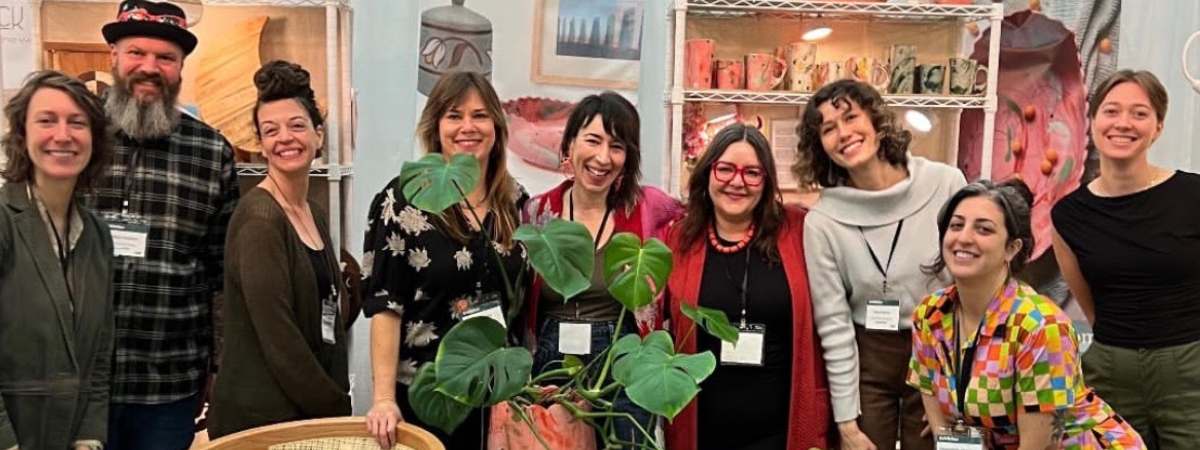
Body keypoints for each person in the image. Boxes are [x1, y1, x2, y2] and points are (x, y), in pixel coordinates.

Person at [91, 1, 239, 447]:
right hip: (77, 378)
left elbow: (220, 275)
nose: (149, 68)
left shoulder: (211, 152)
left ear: (180, 68)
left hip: (169, 384)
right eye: (137, 53)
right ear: (114, 55)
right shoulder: (75, 135)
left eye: (166, 58)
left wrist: (216, 367)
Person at [908, 179, 1144, 449]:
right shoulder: (930, 314)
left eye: (983, 229)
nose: (963, 238)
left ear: (1012, 248)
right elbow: (939, 419)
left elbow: (1039, 447)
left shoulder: (1040, 327)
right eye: (956, 225)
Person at [362, 71, 528, 449]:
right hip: (427, 392)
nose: (467, 127)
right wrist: (383, 399)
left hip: (495, 393)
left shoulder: (515, 202)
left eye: (480, 115)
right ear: (436, 126)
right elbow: (386, 306)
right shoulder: (404, 199)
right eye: (454, 115)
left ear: (497, 127)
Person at [798, 79, 965, 450]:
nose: (843, 134)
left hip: (939, 354)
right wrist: (846, 424)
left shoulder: (945, 184)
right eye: (828, 129)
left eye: (851, 117)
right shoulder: (823, 222)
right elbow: (834, 326)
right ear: (820, 146)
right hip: (868, 363)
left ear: (875, 120)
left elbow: (970, 290)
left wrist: (960, 387)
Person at [521, 91, 681, 445]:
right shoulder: (536, 212)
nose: (603, 158)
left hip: (624, 359)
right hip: (553, 359)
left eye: (617, 146)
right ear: (570, 144)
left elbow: (701, 217)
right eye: (593, 140)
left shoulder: (648, 207)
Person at [1051, 69, 1200, 448]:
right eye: (1112, 111)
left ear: (1158, 127)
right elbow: (1090, 306)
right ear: (1093, 120)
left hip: (1190, 371)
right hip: (1111, 373)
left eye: (1139, 113)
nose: (1123, 123)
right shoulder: (1068, 216)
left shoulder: (1193, 195)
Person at [207, 61, 351, 437]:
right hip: (261, 422)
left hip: (303, 413)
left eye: (297, 125)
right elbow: (279, 339)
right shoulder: (259, 220)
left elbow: (327, 309)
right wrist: (337, 407)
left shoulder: (313, 213)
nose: (285, 138)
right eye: (271, 131)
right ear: (261, 144)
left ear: (318, 134)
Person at [665, 123, 829, 450]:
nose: (737, 182)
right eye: (725, 169)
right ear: (707, 173)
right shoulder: (678, 239)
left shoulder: (799, 230)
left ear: (766, 182)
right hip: (701, 430)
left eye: (752, 173)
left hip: (781, 432)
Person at [0, 70, 114, 450]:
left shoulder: (97, 234)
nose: (62, 135)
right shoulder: (3, 220)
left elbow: (99, 355)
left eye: (77, 123)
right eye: (46, 120)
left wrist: (91, 437)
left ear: (94, 140)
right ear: (22, 134)